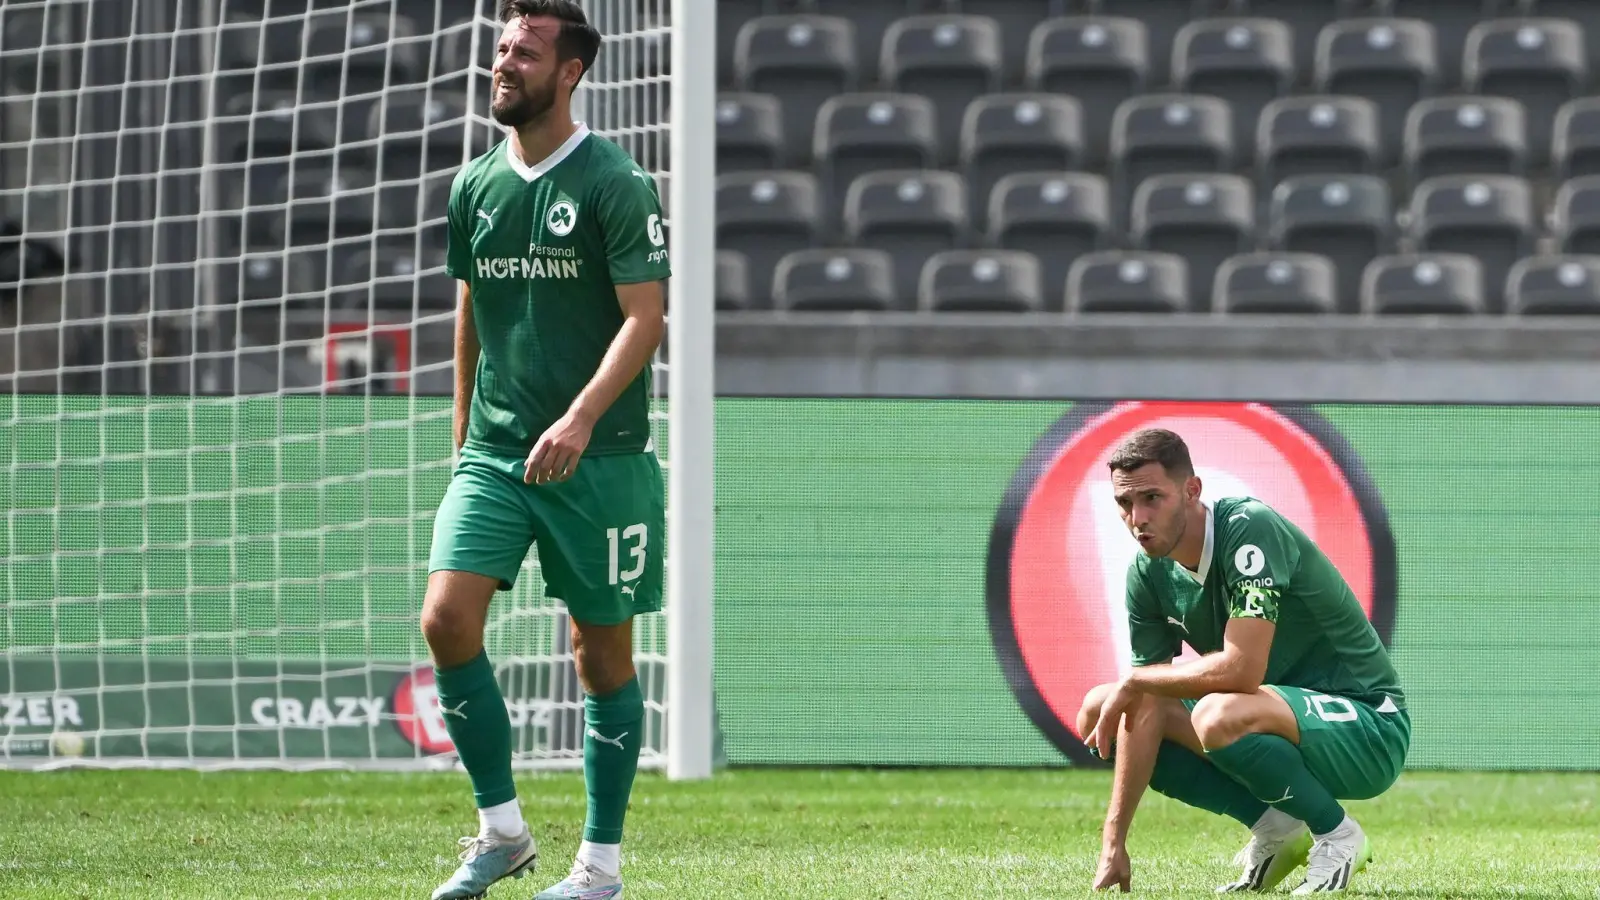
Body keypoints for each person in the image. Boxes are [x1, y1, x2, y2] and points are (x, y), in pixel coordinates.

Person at [422, 2, 669, 898]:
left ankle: (598, 868)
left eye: (524, 53)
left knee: (598, 657)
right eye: (501, 49)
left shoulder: (614, 181)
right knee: (446, 621)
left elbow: (647, 319)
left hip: (600, 461)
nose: (504, 64)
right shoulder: (475, 184)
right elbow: (471, 310)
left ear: (568, 73)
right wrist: (461, 437)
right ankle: (501, 832)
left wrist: (579, 420)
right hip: (495, 453)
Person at [1078, 428, 1409, 895]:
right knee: (1102, 708)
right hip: (1274, 719)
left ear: (1192, 490)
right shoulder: (1147, 573)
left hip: (1369, 727)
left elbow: (1242, 670)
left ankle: (1337, 835)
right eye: (1125, 504)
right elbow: (1143, 704)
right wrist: (1113, 839)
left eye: (1153, 497)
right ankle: (1277, 828)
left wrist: (1138, 680)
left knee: (1216, 714)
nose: (1138, 518)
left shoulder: (1248, 527)